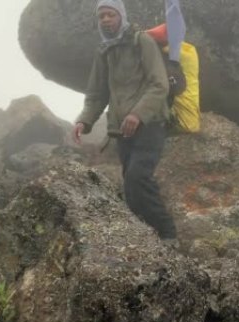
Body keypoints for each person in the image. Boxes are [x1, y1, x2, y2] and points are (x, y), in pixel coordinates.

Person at [72, 0, 177, 244]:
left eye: (111, 15)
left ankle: (168, 234)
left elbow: (159, 84)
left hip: (150, 123)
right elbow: (97, 94)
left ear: (121, 16)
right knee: (130, 188)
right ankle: (147, 237)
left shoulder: (142, 41)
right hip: (121, 131)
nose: (106, 20)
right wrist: (84, 121)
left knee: (137, 178)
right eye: (102, 17)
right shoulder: (104, 51)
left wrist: (137, 114)